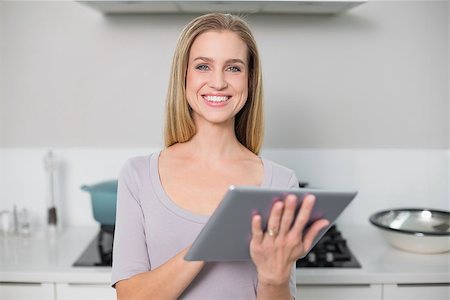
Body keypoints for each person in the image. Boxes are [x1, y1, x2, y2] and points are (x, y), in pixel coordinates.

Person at [111, 13, 329, 300]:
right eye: (203, 66)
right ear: (184, 75)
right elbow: (130, 297)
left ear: (250, 80)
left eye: (233, 68)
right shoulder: (138, 175)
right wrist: (213, 239)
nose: (218, 82)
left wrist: (275, 278)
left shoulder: (280, 181)